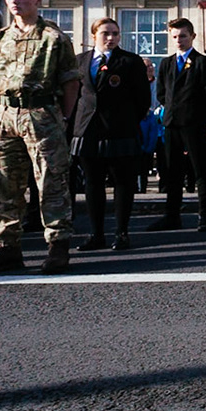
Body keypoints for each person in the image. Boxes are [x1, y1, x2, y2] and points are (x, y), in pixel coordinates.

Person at [0, 0, 80, 275]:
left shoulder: (53, 37)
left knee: (51, 181)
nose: (15, 2)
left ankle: (57, 246)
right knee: (2, 181)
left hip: (41, 113)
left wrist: (65, 119)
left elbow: (71, 81)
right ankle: (5, 247)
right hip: (6, 114)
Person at [74, 16, 151, 250]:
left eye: (115, 34)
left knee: (123, 183)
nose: (111, 38)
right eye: (105, 33)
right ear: (94, 36)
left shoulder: (130, 61)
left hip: (120, 131)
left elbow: (143, 99)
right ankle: (96, 234)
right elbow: (75, 95)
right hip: (87, 130)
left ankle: (122, 232)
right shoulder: (80, 61)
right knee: (92, 183)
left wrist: (127, 121)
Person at [153, 17, 206, 233]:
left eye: (183, 36)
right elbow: (162, 93)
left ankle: (204, 215)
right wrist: (172, 111)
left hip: (193, 124)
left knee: (200, 170)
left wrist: (200, 117)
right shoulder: (166, 63)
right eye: (175, 36)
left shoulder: (202, 62)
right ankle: (172, 215)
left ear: (192, 36)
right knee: (172, 171)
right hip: (172, 123)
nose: (179, 40)